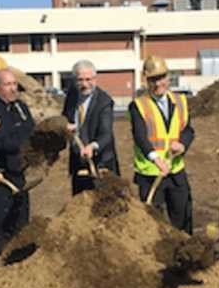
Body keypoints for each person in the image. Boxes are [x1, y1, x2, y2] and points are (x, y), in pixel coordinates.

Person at [129, 55, 195, 233]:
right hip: (150, 174)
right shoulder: (138, 106)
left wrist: (182, 144)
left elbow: (188, 130)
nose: (158, 84)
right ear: (146, 80)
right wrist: (156, 159)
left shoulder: (181, 101)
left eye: (161, 78)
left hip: (175, 172)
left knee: (183, 218)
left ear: (168, 77)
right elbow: (140, 137)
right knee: (153, 224)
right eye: (153, 80)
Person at [0, 68, 35, 258]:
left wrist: (26, 139)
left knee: (22, 224)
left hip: (19, 175)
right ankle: (1, 266)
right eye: (7, 85)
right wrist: (26, 140)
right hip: (0, 179)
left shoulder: (21, 107)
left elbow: (32, 130)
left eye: (14, 84)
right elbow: (4, 143)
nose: (13, 89)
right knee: (2, 228)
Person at [62, 59, 120, 194]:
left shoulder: (104, 102)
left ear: (95, 79)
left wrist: (93, 146)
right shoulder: (71, 95)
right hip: (78, 164)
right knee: (80, 206)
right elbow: (65, 117)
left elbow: (106, 134)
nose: (84, 84)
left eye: (88, 79)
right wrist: (66, 126)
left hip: (101, 164)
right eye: (80, 80)